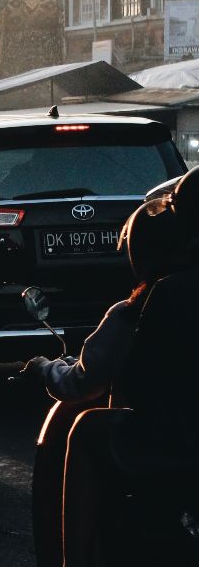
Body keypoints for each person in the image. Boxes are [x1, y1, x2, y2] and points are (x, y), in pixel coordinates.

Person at [23, 167, 199, 567]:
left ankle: (74, 560)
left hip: (176, 438)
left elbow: (89, 382)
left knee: (86, 428)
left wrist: (42, 368)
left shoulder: (154, 298)